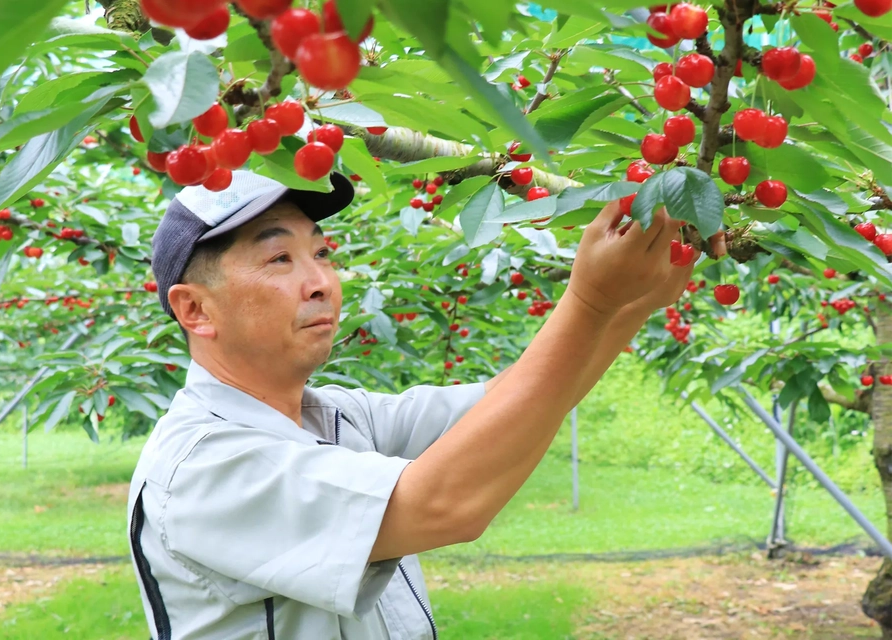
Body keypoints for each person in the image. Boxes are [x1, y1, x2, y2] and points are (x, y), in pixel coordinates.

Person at [128, 169, 701, 639]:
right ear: (196, 310)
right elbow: (443, 505)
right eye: (280, 259)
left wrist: (636, 301)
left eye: (323, 253)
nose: (322, 281)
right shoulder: (199, 468)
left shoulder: (339, 417)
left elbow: (514, 399)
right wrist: (592, 301)